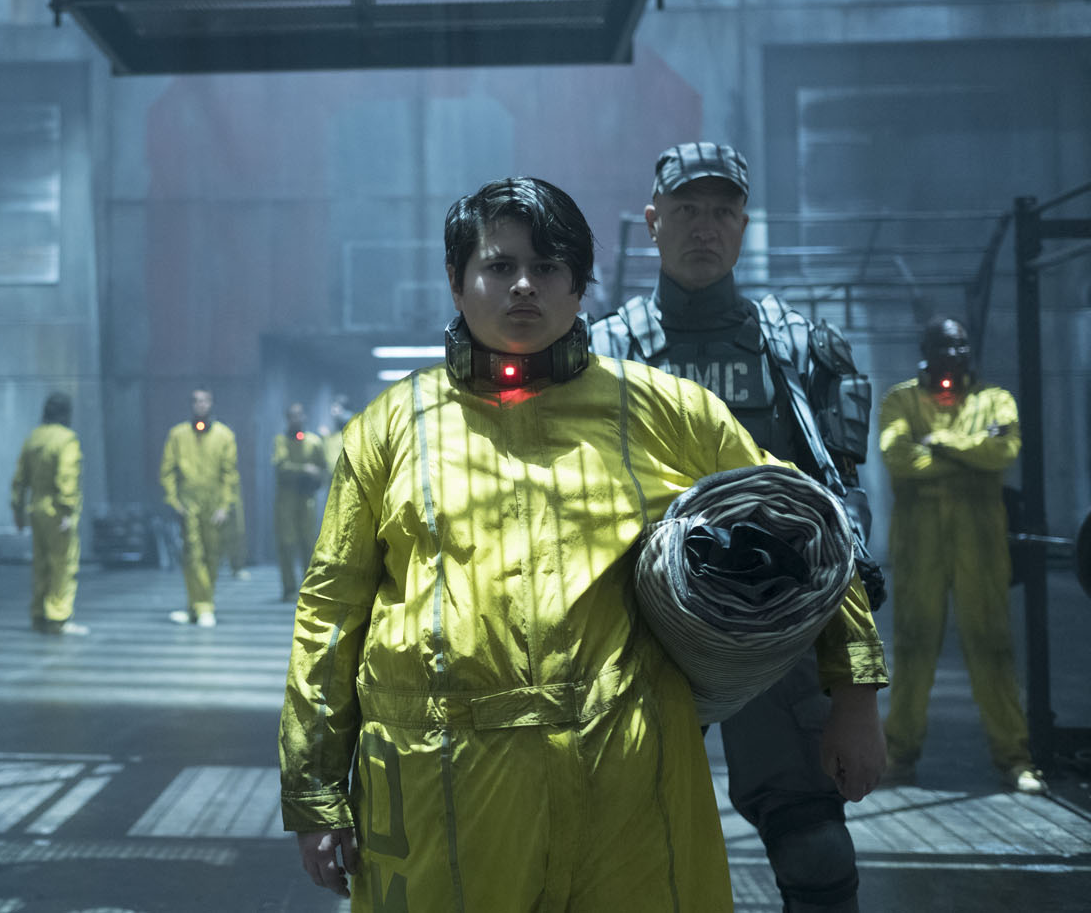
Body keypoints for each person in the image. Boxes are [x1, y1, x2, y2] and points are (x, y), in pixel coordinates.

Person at [280, 177, 886, 912]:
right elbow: (331, 611)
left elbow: (809, 522)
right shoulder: (389, 430)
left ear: (579, 285)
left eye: (548, 266)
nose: (524, 285)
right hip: (444, 784)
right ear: (456, 281)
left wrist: (855, 696)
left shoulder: (663, 411)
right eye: (500, 266)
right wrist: (314, 791)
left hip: (627, 781)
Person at [589, 142, 882, 912]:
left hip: (770, 632)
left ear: (744, 226)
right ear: (653, 221)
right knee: (614, 855)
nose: (704, 227)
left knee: (815, 846)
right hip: (636, 635)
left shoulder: (797, 350)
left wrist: (857, 696)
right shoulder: (599, 355)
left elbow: (838, 530)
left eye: (722, 211)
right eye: (686, 209)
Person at [878, 316, 1045, 793]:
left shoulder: (996, 400)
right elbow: (897, 457)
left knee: (992, 644)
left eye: (960, 346)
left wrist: (941, 442)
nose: (953, 355)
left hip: (979, 541)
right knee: (913, 645)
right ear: (925, 351)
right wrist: (971, 454)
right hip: (920, 541)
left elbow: (1004, 450)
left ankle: (1014, 758)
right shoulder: (899, 400)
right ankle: (898, 755)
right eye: (943, 346)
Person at [160, 387, 240, 627]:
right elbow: (167, 470)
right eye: (196, 400)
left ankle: (196, 607)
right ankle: (202, 606)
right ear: (191, 404)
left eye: (205, 400)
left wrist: (225, 505)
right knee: (192, 555)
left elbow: (229, 474)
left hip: (214, 503)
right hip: (188, 503)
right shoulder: (178, 435)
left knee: (212, 555)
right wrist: (173, 501)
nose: (200, 405)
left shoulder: (224, 436)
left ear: (212, 403)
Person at [11, 391, 87, 635]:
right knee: (62, 565)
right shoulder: (66, 439)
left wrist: (18, 510)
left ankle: (39, 615)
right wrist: (68, 510)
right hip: (57, 510)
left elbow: (20, 478)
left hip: (36, 508)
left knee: (41, 564)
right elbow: (67, 476)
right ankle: (58, 617)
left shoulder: (33, 438)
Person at [271, 403, 325, 602]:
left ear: (305, 417)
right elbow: (281, 467)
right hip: (286, 500)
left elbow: (323, 469)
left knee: (308, 543)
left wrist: (315, 477)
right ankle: (289, 588)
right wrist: (305, 470)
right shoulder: (281, 441)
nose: (296, 419)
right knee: (286, 543)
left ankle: (310, 587)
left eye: (299, 415)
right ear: (287, 419)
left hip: (306, 498)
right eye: (292, 416)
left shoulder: (314, 442)